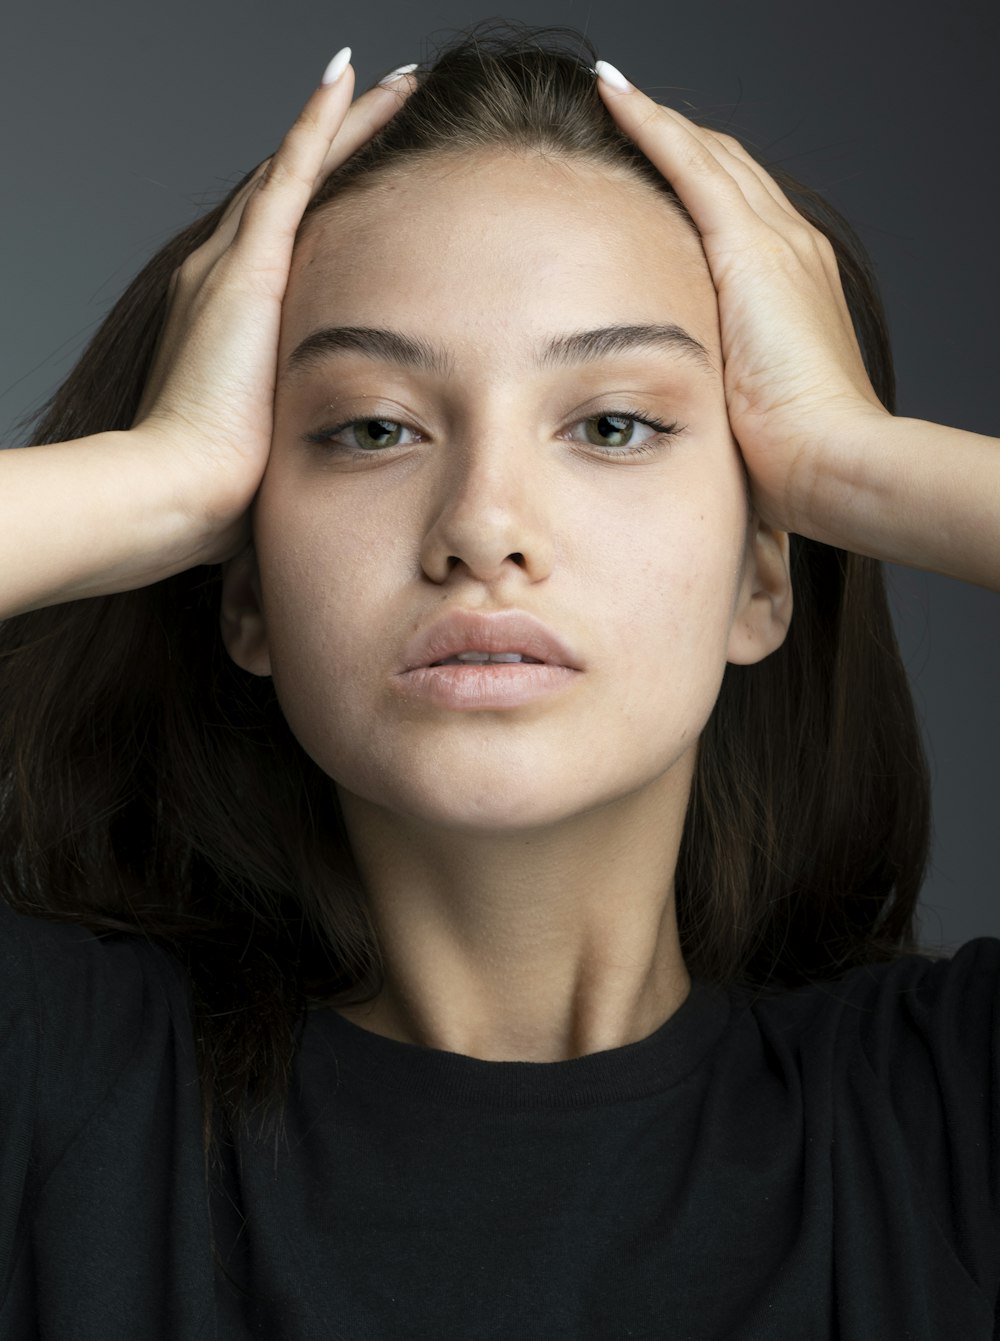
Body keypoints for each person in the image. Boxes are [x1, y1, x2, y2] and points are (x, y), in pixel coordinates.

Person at [1, 19, 997, 1339]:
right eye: (372, 427)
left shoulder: (944, 1120)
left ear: (767, 580)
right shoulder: (55, 1091)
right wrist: (163, 470)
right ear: (242, 586)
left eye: (613, 424)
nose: (483, 523)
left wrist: (859, 462)